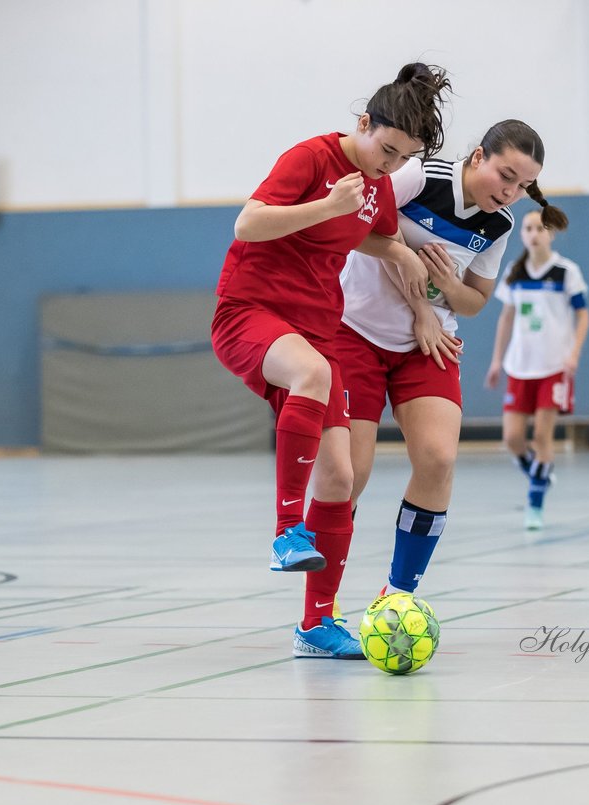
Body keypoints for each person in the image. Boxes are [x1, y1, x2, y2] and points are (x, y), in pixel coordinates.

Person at [211, 62, 451, 658]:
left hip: (315, 329)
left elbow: (376, 235)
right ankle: (286, 532)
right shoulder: (312, 159)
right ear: (364, 123)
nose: (390, 166)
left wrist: (410, 265)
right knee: (313, 373)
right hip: (252, 312)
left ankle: (316, 625)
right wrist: (325, 206)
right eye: (386, 149)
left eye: (403, 159)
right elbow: (248, 222)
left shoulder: (375, 187)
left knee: (342, 478)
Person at [339, 119, 568, 599]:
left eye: (523, 186)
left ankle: (398, 598)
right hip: (355, 332)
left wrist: (443, 289)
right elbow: (352, 231)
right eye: (505, 176)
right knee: (349, 474)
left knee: (439, 458)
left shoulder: (498, 225)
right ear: (479, 156)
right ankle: (320, 608)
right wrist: (419, 297)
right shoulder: (420, 177)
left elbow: (474, 301)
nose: (510, 193)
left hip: (431, 344)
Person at [484, 209, 589, 530]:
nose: (533, 233)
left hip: (554, 366)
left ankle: (535, 503)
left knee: (543, 435)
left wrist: (574, 354)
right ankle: (540, 475)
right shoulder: (514, 274)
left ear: (550, 233)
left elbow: (583, 315)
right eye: (527, 228)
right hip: (520, 366)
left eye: (539, 228)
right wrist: (496, 360)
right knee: (513, 438)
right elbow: (506, 318)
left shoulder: (566, 272)